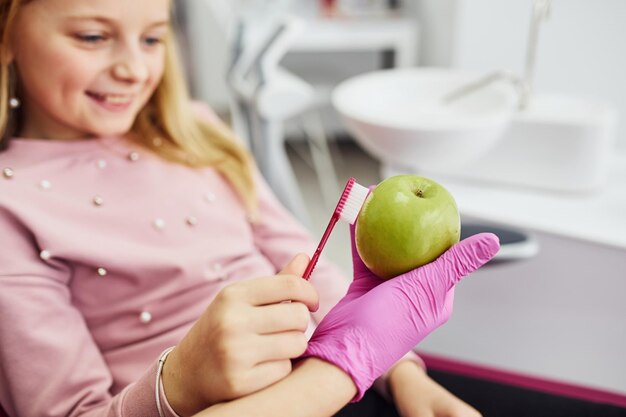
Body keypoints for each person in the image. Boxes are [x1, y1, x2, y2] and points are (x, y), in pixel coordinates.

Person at [0, 0, 499, 416]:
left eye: (152, 39)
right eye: (91, 37)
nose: (133, 69)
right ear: (7, 35)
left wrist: (403, 372)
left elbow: (304, 263)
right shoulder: (11, 208)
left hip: (349, 380)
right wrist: (178, 382)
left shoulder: (197, 132)